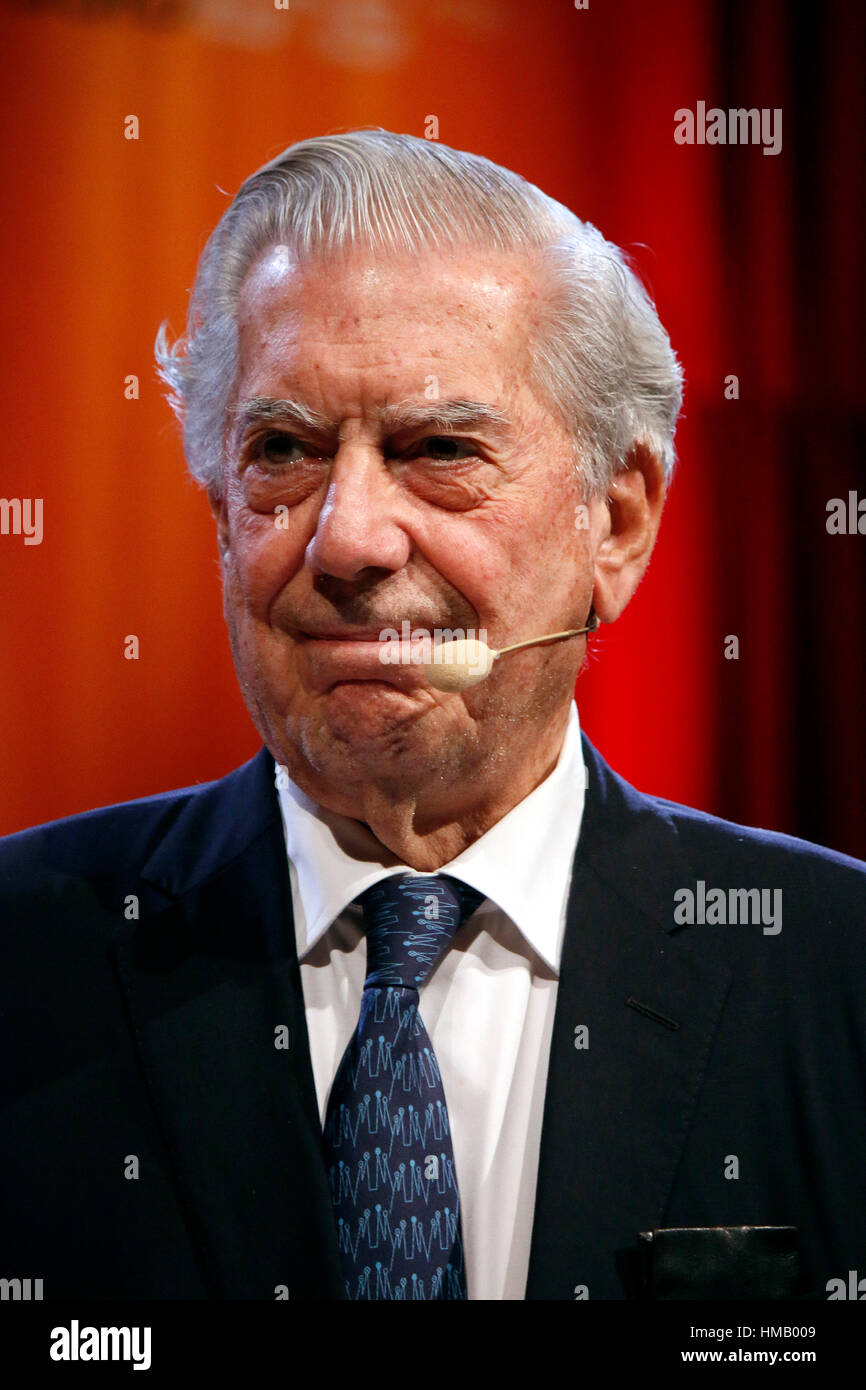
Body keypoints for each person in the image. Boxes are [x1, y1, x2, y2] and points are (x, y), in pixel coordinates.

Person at [1, 131, 864, 1302]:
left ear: (614, 522)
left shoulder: (830, 972)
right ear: (219, 514)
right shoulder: (25, 959)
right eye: (285, 452)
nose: (346, 538)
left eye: (438, 449)